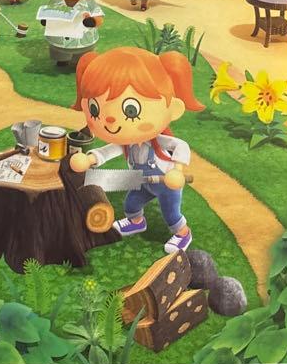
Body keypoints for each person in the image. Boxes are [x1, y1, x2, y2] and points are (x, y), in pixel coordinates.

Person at [69, 46, 204, 254]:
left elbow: (181, 145)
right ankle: (136, 221)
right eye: (95, 109)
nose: (110, 120)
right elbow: (108, 151)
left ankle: (183, 233)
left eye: (131, 111)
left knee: (171, 215)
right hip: (142, 181)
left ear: (173, 109)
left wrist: (177, 170)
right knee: (131, 203)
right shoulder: (127, 141)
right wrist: (89, 159)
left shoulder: (158, 140)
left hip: (166, 184)